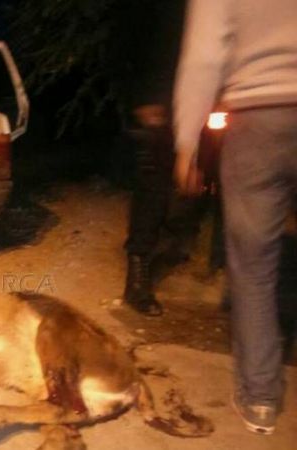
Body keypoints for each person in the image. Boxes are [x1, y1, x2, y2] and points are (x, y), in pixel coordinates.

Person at [174, 0, 297, 434]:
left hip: (258, 120)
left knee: (253, 267)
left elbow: (205, 56)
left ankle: (261, 397)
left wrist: (187, 142)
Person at [115, 0, 200, 316]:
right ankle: (137, 276)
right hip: (160, 98)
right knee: (154, 185)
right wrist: (142, 98)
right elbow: (125, 41)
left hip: (207, 94)